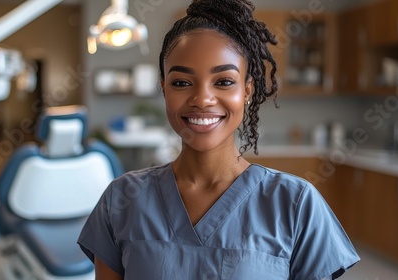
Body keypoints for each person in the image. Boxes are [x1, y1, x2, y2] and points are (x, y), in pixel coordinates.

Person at [78, 0, 360, 279]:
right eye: (181, 82)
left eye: (224, 81)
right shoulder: (122, 200)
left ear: (247, 89)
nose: (202, 99)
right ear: (164, 88)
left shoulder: (296, 204)